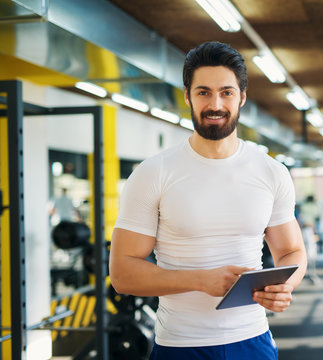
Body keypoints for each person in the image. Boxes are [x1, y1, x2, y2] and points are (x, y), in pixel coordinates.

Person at [109, 41, 307, 360]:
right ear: (187, 96)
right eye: (203, 92)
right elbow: (122, 273)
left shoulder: (272, 172)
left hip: (252, 340)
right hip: (181, 345)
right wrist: (200, 280)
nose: (215, 103)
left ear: (242, 97)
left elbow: (291, 251)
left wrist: (286, 285)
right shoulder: (153, 173)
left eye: (226, 92)